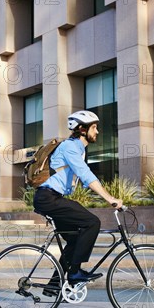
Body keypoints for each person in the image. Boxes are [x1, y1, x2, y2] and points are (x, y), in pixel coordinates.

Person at [33, 110, 124, 286]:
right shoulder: (70, 146)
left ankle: (53, 285)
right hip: (48, 198)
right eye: (94, 128)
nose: (97, 132)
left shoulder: (78, 150)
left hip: (52, 198)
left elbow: (81, 179)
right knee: (92, 223)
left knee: (75, 239)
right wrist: (110, 198)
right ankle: (74, 273)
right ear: (82, 129)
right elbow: (85, 175)